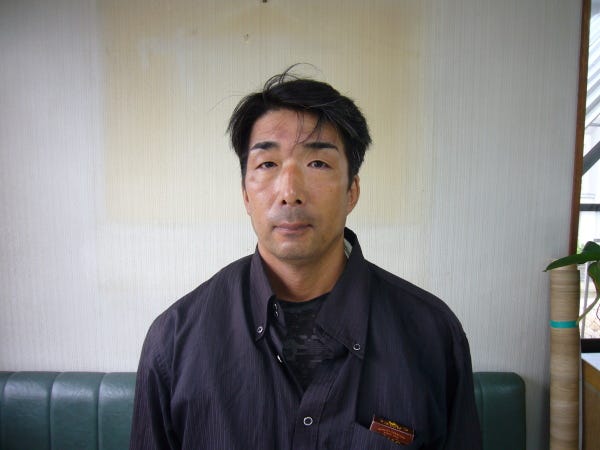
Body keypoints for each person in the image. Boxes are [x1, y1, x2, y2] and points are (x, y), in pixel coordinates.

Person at [130, 67, 482, 450]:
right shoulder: (175, 341)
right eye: (267, 164)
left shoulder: (432, 335)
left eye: (318, 163)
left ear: (352, 191)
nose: (290, 192)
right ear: (245, 194)